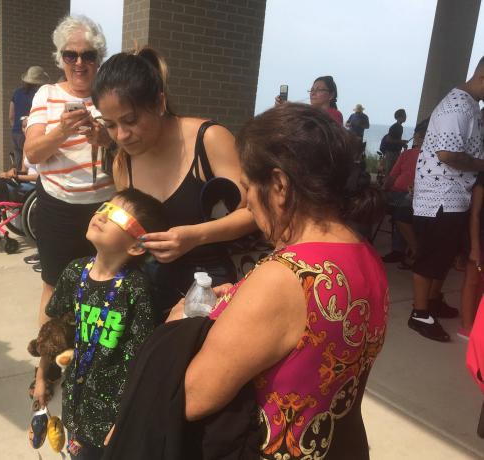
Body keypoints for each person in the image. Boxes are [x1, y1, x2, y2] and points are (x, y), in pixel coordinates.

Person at [150, 103, 387, 458]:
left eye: (247, 187)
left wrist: (181, 320)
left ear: (278, 185)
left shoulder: (285, 276)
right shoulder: (365, 255)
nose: (244, 201)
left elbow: (193, 397)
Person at [92, 48, 257, 319]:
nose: (121, 135)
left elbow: (254, 213)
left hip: (210, 291)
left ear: (159, 103)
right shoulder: (123, 162)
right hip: (148, 292)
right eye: (109, 125)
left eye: (130, 120)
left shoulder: (209, 139)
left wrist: (196, 235)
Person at [34, 189, 164, 459]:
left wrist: (125, 419)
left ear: (136, 246)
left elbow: (141, 359)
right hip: (76, 400)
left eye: (117, 216)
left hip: (112, 413)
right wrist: (41, 378)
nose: (103, 216)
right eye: (105, 208)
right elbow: (53, 332)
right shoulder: (74, 272)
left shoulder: (135, 289)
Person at [24, 15, 115, 329]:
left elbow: (133, 150)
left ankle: (87, 362)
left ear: (98, 60)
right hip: (57, 207)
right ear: (60, 58)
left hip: (105, 208)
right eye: (70, 55)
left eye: (88, 55)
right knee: (53, 286)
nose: (79, 62)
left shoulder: (111, 95)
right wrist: (60, 132)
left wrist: (107, 139)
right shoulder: (46, 94)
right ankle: (45, 368)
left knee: (102, 287)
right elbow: (33, 152)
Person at [410, 57, 484, 342]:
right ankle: (419, 313)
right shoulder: (456, 108)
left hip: (454, 196)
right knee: (430, 257)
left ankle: (433, 300)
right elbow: (448, 155)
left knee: (442, 256)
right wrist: (481, 165)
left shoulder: (469, 105)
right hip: (440, 196)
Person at [382, 127, 426, 267]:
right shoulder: (431, 157)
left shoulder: (408, 154)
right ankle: (407, 248)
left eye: (417, 136)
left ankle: (400, 250)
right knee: (403, 209)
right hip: (412, 194)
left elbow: (392, 176)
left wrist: (383, 189)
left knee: (400, 211)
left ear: (419, 138)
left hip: (405, 193)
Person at [10, 66, 49, 170]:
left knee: (17, 164)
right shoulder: (40, 95)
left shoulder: (16, 92)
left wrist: (15, 128)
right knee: (28, 167)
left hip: (15, 132)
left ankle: (17, 182)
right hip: (29, 133)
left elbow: (11, 115)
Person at [460, 172, 484, 340]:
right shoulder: (482, 177)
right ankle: (467, 327)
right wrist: (475, 246)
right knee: (473, 279)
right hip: (479, 235)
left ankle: (477, 321)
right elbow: (474, 214)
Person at [380, 108, 408, 176]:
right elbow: (388, 139)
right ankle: (385, 186)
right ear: (399, 117)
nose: (405, 117)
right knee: (390, 172)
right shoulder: (395, 127)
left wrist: (402, 143)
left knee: (392, 171)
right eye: (404, 115)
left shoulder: (399, 127)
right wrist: (401, 141)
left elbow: (395, 139)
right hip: (391, 153)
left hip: (395, 152)